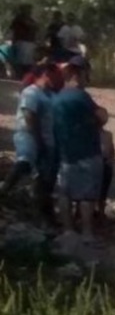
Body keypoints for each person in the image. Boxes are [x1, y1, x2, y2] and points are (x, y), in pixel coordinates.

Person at [51, 56, 108, 244]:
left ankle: (68, 230)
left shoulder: (58, 97)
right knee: (86, 196)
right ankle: (86, 233)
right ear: (78, 73)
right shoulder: (80, 96)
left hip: (66, 154)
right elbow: (101, 116)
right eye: (86, 73)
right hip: (87, 152)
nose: (87, 77)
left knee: (65, 193)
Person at [0, 63, 61, 224]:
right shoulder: (32, 92)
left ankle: (45, 215)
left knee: (45, 180)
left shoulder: (51, 95)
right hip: (29, 136)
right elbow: (29, 116)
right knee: (25, 162)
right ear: (47, 74)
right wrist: (38, 139)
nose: (58, 79)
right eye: (55, 75)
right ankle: (4, 190)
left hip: (49, 141)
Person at [8, 4, 38, 78]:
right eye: (28, 9)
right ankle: (20, 77)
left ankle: (25, 77)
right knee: (22, 62)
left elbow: (36, 28)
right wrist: (13, 41)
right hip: (22, 42)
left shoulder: (30, 19)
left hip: (30, 42)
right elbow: (13, 30)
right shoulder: (20, 18)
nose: (30, 11)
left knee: (28, 62)